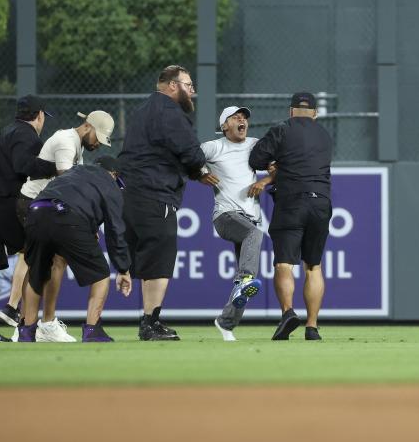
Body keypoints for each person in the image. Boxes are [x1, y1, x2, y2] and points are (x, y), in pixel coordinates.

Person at [1, 109, 115, 342]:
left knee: (55, 262)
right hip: (36, 204)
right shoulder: (66, 141)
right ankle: (27, 323)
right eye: (98, 138)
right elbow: (68, 181)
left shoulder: (77, 145)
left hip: (50, 206)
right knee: (37, 264)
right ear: (88, 126)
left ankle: (42, 324)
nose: (99, 145)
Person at [118, 65, 207, 341]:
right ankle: (150, 322)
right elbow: (192, 154)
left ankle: (146, 319)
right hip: (156, 193)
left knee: (146, 258)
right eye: (188, 85)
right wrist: (199, 169)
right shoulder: (171, 112)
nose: (192, 91)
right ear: (172, 86)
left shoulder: (142, 111)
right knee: (160, 260)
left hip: (130, 194)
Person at [0, 95, 58, 342]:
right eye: (43, 117)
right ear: (39, 115)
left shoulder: (7, 130)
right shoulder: (27, 134)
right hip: (0, 203)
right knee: (36, 250)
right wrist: (55, 167)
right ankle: (24, 320)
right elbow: (23, 165)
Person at [19, 157, 132, 343]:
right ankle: (92, 330)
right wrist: (122, 268)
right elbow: (115, 231)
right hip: (68, 216)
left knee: (36, 273)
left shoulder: (72, 172)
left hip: (36, 212)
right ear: (113, 174)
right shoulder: (109, 183)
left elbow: (74, 196)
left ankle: (26, 331)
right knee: (101, 274)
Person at [249, 92, 333, 341]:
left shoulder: (282, 129)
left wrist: (274, 166)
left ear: (291, 111)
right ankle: (312, 326)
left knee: (284, 263)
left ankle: (287, 313)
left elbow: (256, 158)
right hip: (321, 203)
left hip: (292, 202)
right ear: (315, 113)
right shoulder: (325, 135)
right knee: (314, 266)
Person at [199, 106, 273, 342]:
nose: (242, 119)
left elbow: (279, 164)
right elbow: (188, 158)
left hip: (249, 216)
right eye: (235, 117)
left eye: (244, 117)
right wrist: (200, 171)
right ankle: (246, 280)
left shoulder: (255, 145)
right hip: (225, 215)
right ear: (224, 126)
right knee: (254, 239)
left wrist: (267, 180)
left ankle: (226, 322)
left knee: (245, 279)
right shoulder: (214, 146)